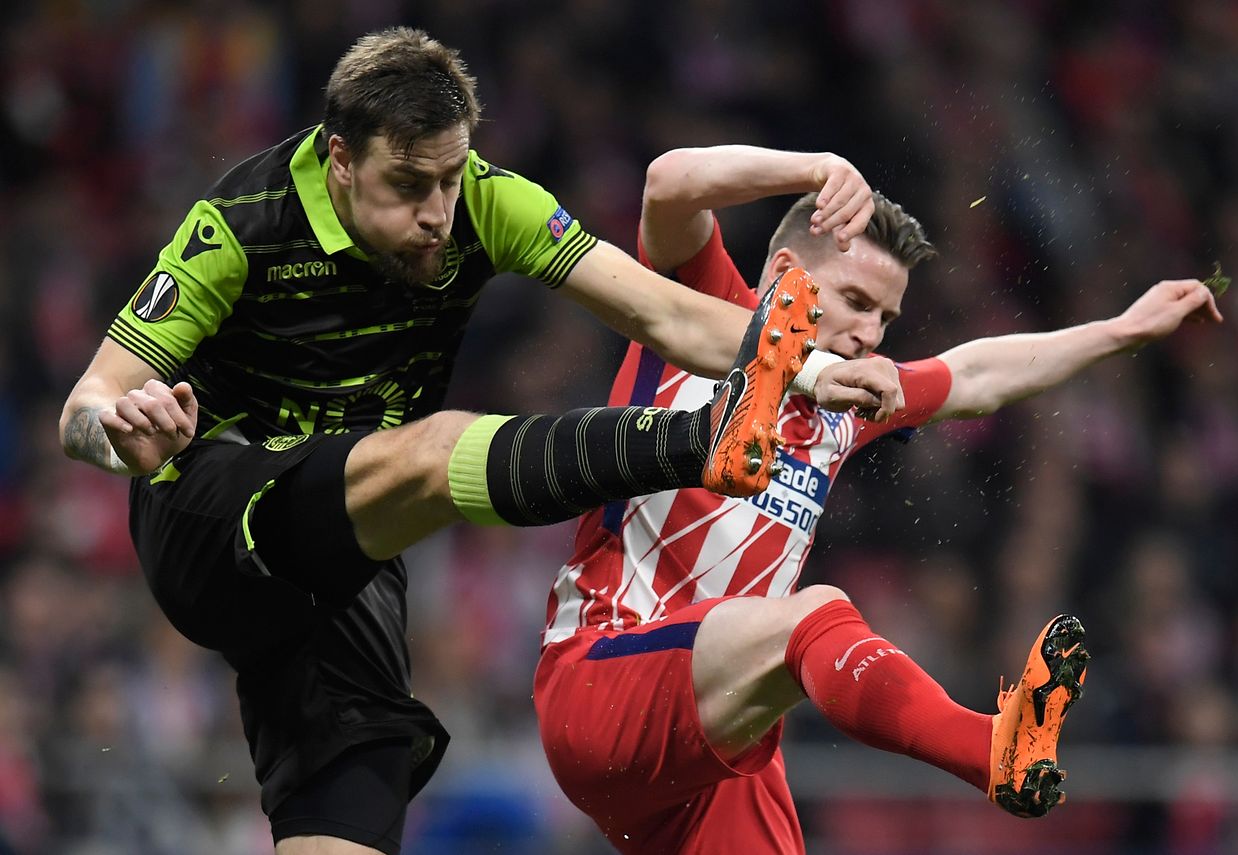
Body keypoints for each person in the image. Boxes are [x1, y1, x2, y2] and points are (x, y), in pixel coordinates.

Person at [55, 31, 900, 855]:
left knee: (348, 802)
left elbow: (665, 311)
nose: (436, 213)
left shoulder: (486, 201)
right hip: (211, 512)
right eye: (408, 183)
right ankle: (697, 440)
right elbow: (82, 410)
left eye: (451, 179)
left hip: (345, 553)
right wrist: (124, 435)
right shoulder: (239, 223)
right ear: (341, 159)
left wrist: (815, 371)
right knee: (435, 449)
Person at [534, 144, 1224, 853]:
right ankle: (989, 748)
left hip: (711, 741)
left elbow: (979, 372)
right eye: (857, 301)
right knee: (815, 616)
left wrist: (1122, 331)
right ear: (783, 276)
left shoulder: (848, 403)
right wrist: (813, 169)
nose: (869, 333)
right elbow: (668, 182)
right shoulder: (707, 310)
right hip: (600, 677)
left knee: (793, 645)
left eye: (886, 317)